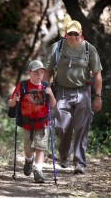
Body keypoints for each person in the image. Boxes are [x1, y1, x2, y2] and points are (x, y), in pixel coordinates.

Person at [43, 20, 103, 175]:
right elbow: (47, 71)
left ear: (80, 34)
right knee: (61, 126)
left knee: (82, 128)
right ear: (65, 34)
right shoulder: (57, 48)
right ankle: (64, 154)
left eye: (76, 34)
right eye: (70, 33)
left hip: (83, 92)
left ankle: (79, 163)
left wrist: (98, 96)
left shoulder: (89, 49)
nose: (73, 36)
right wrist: (46, 89)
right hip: (62, 92)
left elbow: (97, 74)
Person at [8, 60, 56, 183]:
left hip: (42, 122)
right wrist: (15, 99)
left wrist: (51, 95)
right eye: (35, 73)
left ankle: (38, 170)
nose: (39, 75)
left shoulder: (46, 86)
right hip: (27, 123)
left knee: (41, 147)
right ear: (29, 73)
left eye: (41, 72)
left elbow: (53, 105)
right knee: (28, 149)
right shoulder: (23, 85)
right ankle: (29, 160)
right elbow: (11, 103)